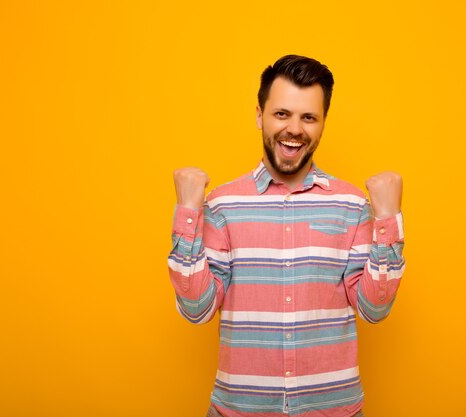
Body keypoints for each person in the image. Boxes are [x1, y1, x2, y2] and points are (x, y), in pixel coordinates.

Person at [168, 55, 405, 417]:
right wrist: (187, 212)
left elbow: (374, 310)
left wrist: (388, 218)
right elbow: (196, 311)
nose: (294, 128)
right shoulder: (221, 204)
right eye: (282, 114)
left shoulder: (353, 204)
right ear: (260, 115)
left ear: (323, 123)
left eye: (308, 117)